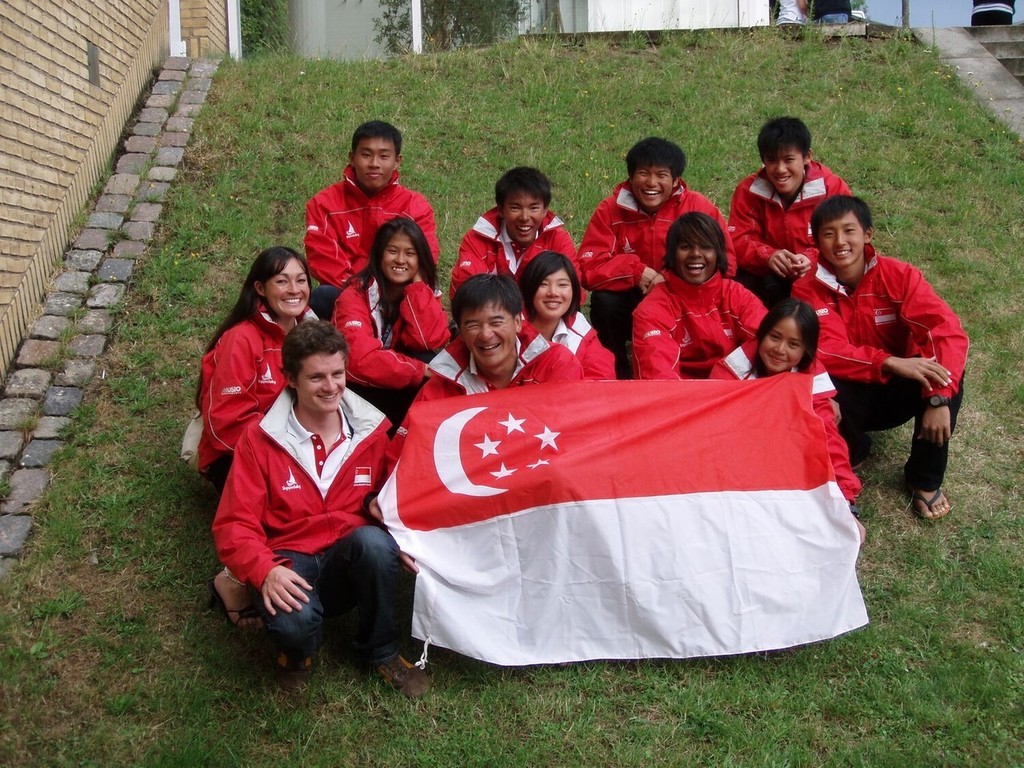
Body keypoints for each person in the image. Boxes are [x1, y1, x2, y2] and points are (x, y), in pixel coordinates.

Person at [212, 321, 429, 696]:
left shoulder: (373, 431)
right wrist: (265, 572)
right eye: (316, 377)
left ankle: (381, 651)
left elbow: (394, 498)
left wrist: (405, 537)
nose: (331, 387)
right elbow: (234, 524)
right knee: (296, 628)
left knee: (375, 545)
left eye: (338, 374)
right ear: (291, 379)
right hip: (288, 559)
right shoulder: (260, 439)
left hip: (349, 557)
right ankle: (297, 652)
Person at [792, 196, 969, 520]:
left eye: (849, 231)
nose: (840, 242)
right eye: (829, 234)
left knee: (944, 371)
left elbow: (946, 332)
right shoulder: (806, 289)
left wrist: (937, 399)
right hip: (848, 394)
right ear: (817, 243)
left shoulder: (900, 276)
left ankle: (924, 479)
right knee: (815, 373)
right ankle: (854, 449)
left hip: (895, 391)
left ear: (868, 234)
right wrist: (888, 361)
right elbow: (826, 348)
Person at [197, 247, 316, 631]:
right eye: (282, 281)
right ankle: (232, 581)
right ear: (260, 288)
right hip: (234, 451)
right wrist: (279, 454)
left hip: (290, 444)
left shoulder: (308, 331)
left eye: (301, 280)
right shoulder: (241, 338)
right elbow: (224, 422)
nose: (294, 289)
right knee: (281, 498)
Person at [577, 136, 736, 379]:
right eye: (643, 173)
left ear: (675, 181)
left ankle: (696, 364)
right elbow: (587, 267)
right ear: (630, 178)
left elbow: (728, 263)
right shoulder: (610, 209)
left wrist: (672, 279)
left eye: (661, 175)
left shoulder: (697, 206)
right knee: (604, 301)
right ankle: (616, 371)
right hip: (633, 295)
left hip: (684, 296)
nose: (652, 182)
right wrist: (636, 272)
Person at [711, 299, 865, 543]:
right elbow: (715, 435)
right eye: (774, 337)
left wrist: (845, 502)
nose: (780, 350)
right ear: (761, 334)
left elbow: (827, 440)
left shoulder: (810, 375)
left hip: (788, 454)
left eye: (793, 344)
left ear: (806, 351)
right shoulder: (730, 372)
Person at [304, 120, 440, 319]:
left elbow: (425, 259)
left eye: (384, 156)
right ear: (352, 157)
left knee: (426, 326)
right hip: (347, 296)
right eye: (366, 154)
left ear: (397, 161)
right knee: (322, 297)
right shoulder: (323, 204)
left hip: (396, 297)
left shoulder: (416, 206)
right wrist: (364, 296)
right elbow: (323, 259)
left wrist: (388, 294)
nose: (374, 163)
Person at [332, 217, 449, 430]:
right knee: (426, 368)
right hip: (358, 391)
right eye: (392, 251)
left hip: (396, 384)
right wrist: (418, 370)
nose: (400, 260)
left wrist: (418, 288)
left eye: (410, 254)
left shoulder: (423, 292)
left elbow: (427, 340)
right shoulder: (354, 295)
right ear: (379, 255)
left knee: (428, 360)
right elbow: (358, 360)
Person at [728, 116, 851, 307]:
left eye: (789, 159)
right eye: (771, 160)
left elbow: (850, 242)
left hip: (822, 278)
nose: (780, 169)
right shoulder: (748, 191)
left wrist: (811, 259)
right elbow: (736, 241)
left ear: (807, 157)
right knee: (733, 279)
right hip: (769, 278)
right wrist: (768, 256)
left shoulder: (833, 189)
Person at [632, 212, 765, 380]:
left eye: (705, 246)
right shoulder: (651, 309)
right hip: (683, 399)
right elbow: (659, 377)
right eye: (686, 247)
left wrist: (727, 377)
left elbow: (770, 344)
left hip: (734, 390)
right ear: (673, 255)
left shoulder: (737, 295)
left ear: (718, 255)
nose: (696, 253)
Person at [450, 166, 577, 300]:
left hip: (543, 318)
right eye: (515, 208)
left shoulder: (558, 239)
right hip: (492, 318)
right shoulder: (477, 239)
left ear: (545, 210)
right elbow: (465, 292)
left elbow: (573, 291)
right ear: (501, 209)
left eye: (534, 208)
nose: (524, 217)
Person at [517, 251, 615, 380]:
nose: (553, 292)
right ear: (528, 287)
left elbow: (601, 379)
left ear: (574, 291)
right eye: (543, 284)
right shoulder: (510, 327)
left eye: (562, 285)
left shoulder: (580, 330)